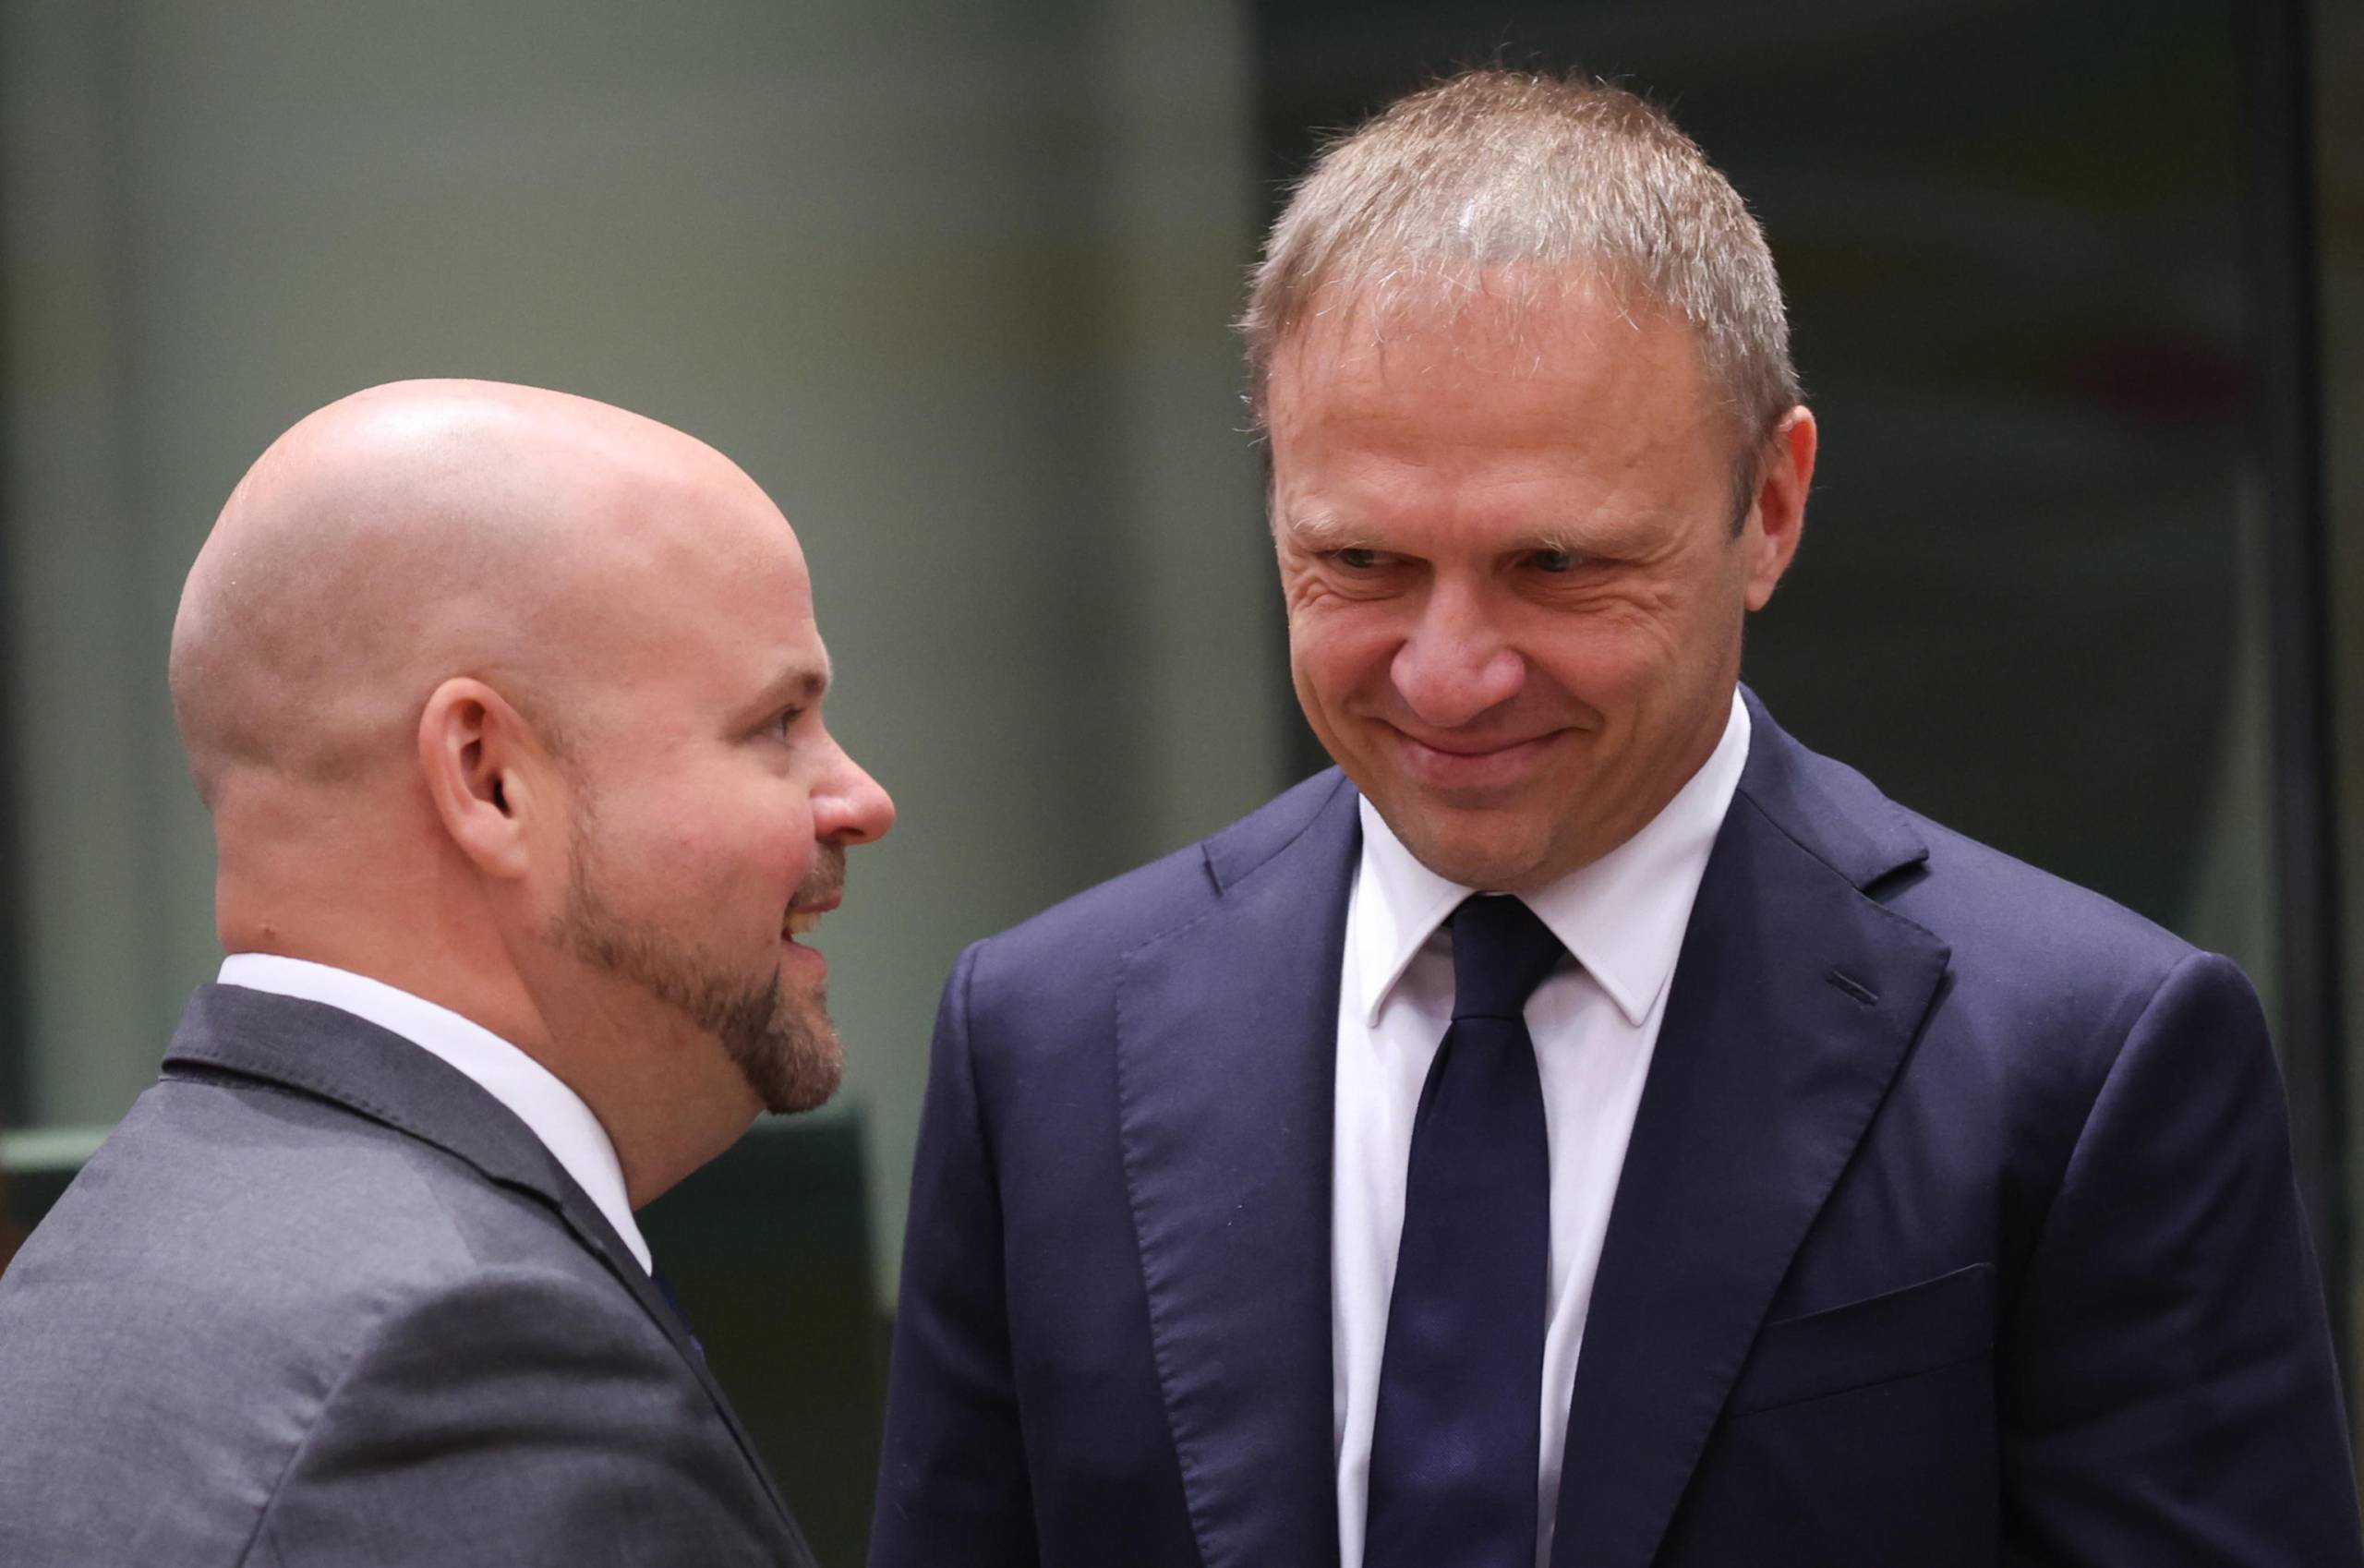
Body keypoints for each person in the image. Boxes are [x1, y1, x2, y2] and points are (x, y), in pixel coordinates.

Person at [869, 70, 2363, 1568]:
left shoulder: (2084, 1062)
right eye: (1363, 559)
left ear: (1769, 507)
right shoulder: (1048, 1044)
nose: (1448, 672)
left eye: (1557, 564)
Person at [0, 380, 893, 1566]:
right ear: (486, 778)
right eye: (775, 723)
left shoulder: (108, 1263)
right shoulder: (472, 1365)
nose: (861, 801)